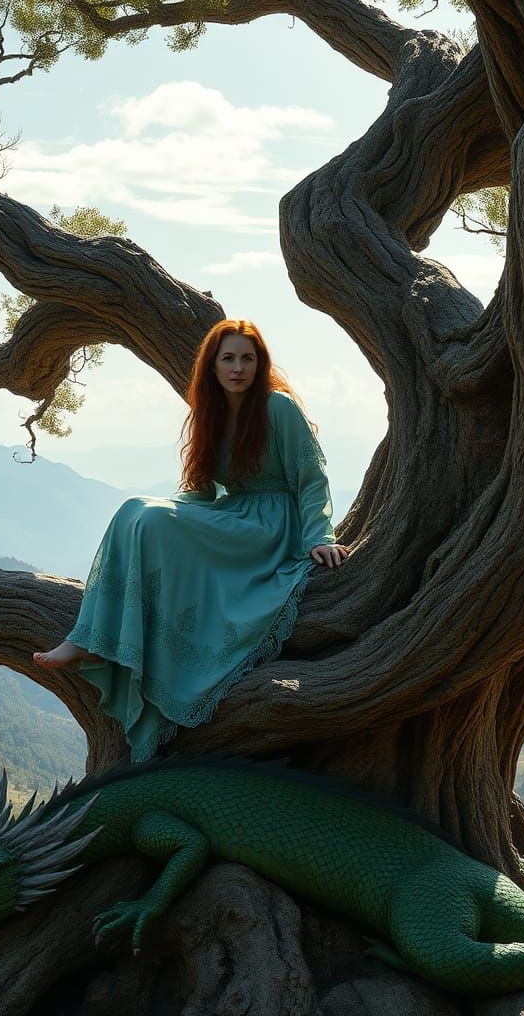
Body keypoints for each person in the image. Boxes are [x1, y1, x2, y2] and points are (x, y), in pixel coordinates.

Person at [34, 318, 350, 760]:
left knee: (150, 519)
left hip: (272, 528)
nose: (238, 367)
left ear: (260, 364)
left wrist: (320, 535)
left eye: (248, 358)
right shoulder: (210, 412)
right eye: (229, 359)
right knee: (136, 512)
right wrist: (176, 516)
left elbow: (311, 478)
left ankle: (105, 641)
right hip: (231, 515)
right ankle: (92, 636)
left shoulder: (278, 408)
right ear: (213, 366)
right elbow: (201, 488)